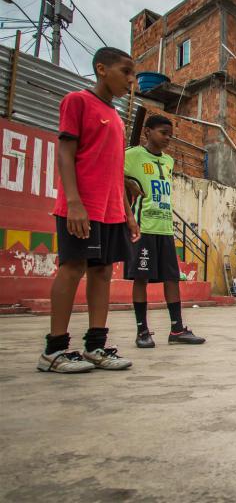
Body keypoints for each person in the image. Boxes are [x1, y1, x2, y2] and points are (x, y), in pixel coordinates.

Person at [38, 47, 140, 373]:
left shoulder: (117, 119)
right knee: (73, 267)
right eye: (125, 72)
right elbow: (65, 155)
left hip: (110, 210)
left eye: (133, 74)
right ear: (101, 69)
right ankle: (54, 351)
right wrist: (74, 203)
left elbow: (115, 169)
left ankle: (96, 346)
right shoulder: (77, 101)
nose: (131, 80)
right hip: (82, 207)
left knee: (103, 272)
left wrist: (127, 211)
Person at [124, 115, 206, 348]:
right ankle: (142, 331)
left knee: (171, 278)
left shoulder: (168, 161)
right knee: (141, 278)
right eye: (163, 133)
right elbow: (111, 174)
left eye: (170, 134)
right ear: (147, 132)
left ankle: (177, 330)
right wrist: (128, 207)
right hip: (143, 227)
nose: (168, 138)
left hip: (165, 227)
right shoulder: (132, 155)